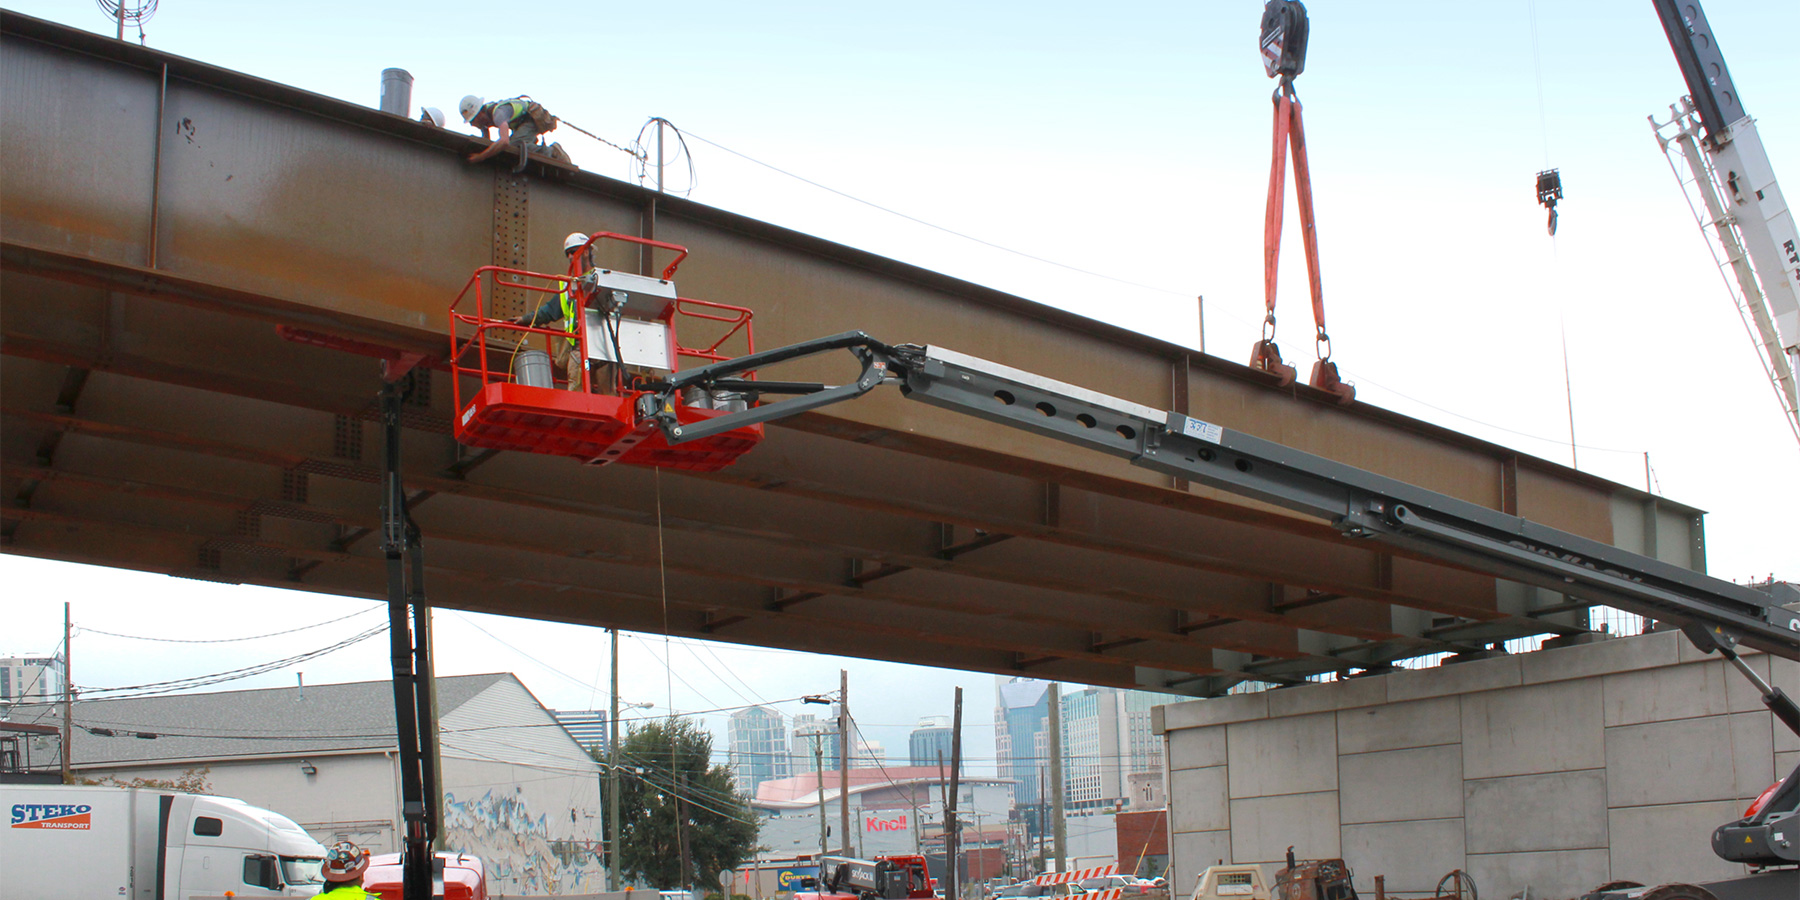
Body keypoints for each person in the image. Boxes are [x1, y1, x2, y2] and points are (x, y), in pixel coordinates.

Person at [506, 232, 600, 391]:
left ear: (586, 251)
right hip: (579, 346)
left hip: (602, 345)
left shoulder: (602, 278)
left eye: (574, 251)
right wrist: (527, 318)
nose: (570, 257)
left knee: (609, 390)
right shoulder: (568, 287)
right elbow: (550, 310)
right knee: (576, 391)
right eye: (568, 254)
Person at [460, 94, 541, 172]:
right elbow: (486, 141)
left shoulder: (498, 114)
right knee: (517, 144)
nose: (472, 125)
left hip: (531, 117)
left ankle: (551, 151)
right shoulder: (484, 118)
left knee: (515, 146)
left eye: (473, 120)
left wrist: (481, 156)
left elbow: (504, 141)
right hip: (519, 124)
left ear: (479, 114)